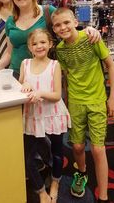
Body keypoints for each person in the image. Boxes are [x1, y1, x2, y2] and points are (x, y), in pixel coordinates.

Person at [51, 7, 114, 203]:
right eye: (57, 25)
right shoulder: (60, 50)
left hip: (97, 101)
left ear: (74, 21)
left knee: (98, 149)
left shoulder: (91, 39)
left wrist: (112, 96)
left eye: (66, 22)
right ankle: (81, 172)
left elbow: (111, 66)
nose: (63, 27)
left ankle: (104, 196)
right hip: (75, 103)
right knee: (78, 146)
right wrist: (65, 103)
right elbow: (66, 77)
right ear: (54, 30)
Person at [0, 0, 101, 77]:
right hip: (17, 74)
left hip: (46, 74)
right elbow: (8, 53)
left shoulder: (48, 12)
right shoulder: (10, 21)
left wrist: (87, 30)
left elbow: (68, 27)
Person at [19, 28, 71, 203]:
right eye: (34, 43)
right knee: (28, 159)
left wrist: (39, 92)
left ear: (50, 44)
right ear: (29, 47)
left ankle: (55, 182)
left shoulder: (55, 65)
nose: (39, 46)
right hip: (32, 116)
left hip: (53, 115)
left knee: (56, 152)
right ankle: (41, 191)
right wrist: (24, 84)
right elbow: (20, 88)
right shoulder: (25, 64)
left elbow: (57, 95)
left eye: (43, 42)